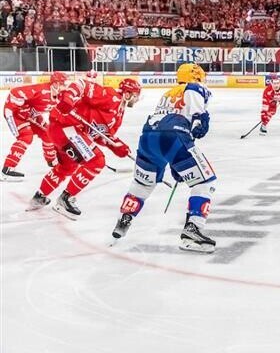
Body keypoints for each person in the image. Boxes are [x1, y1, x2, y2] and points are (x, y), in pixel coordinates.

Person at [109, 64, 216, 252]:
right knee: (204, 181)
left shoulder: (168, 93)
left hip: (148, 138)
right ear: (197, 76)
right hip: (173, 138)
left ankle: (125, 218)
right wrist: (200, 121)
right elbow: (197, 120)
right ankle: (193, 229)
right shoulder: (195, 88)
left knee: (142, 184)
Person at [26, 78, 142, 219]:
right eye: (135, 95)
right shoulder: (111, 96)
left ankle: (39, 197)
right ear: (127, 94)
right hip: (66, 126)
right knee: (96, 161)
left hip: (66, 131)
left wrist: (115, 144)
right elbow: (82, 84)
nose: (136, 99)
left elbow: (100, 134)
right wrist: (68, 97)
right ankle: (66, 199)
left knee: (67, 167)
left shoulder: (118, 114)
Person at [1, 71, 68, 181]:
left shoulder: (59, 96)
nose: (65, 86)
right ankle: (7, 170)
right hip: (14, 112)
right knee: (26, 136)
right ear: (55, 83)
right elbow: (15, 92)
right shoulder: (41, 90)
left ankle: (52, 162)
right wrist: (22, 108)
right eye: (63, 83)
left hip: (31, 114)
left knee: (48, 133)